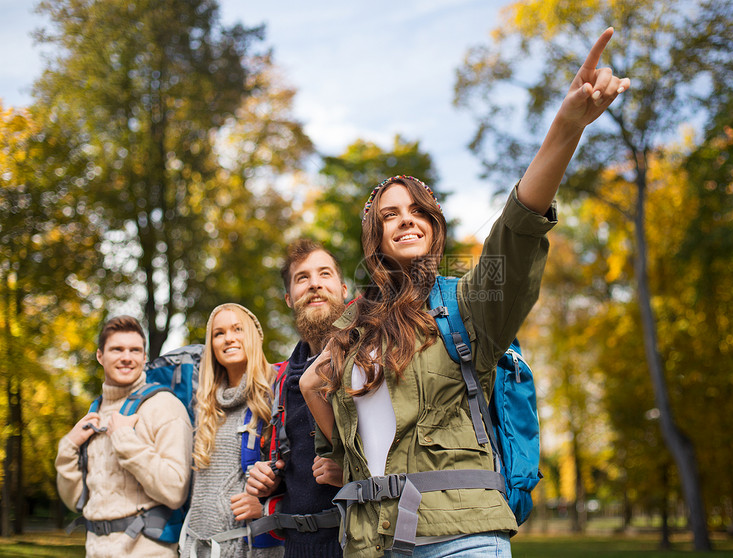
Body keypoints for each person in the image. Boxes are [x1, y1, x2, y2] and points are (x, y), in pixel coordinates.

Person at [300, 28, 630, 558]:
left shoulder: (468, 303)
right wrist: (319, 402)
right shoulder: (352, 327)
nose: (405, 221)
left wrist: (566, 130)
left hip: (460, 537)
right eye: (389, 216)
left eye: (417, 212)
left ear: (434, 226)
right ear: (376, 240)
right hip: (371, 542)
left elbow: (515, 234)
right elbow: (334, 431)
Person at [56, 315, 193, 558]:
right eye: (117, 349)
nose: (126, 357)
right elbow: (77, 500)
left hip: (148, 551)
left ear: (143, 357)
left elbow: (175, 491)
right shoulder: (94, 414)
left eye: (135, 350)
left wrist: (124, 439)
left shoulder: (164, 406)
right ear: (100, 356)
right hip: (95, 550)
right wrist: (68, 448)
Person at [245, 239, 348, 557]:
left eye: (324, 274)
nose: (315, 283)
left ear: (343, 289)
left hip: (360, 542)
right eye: (302, 277)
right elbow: (288, 466)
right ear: (289, 298)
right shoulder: (279, 382)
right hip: (296, 546)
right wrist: (268, 481)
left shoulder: (370, 361)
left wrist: (351, 472)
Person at [180, 303, 282, 558]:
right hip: (200, 547)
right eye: (219, 333)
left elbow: (301, 475)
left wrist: (268, 507)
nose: (229, 339)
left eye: (238, 329)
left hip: (252, 548)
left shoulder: (277, 394)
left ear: (254, 336)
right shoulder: (205, 405)